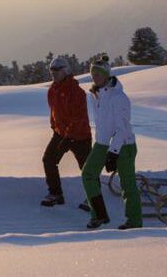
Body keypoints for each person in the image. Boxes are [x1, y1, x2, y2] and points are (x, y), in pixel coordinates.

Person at [81, 55, 141, 230]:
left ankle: (134, 222)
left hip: (124, 145)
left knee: (127, 184)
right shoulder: (96, 95)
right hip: (102, 144)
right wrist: (103, 146)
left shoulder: (119, 97)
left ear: (107, 75)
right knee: (88, 174)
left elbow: (122, 129)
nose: (95, 78)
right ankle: (99, 215)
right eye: (93, 74)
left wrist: (114, 153)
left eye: (98, 74)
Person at [40, 56, 92, 211]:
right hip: (61, 134)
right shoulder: (52, 90)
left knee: (88, 168)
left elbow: (78, 117)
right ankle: (56, 194)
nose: (53, 74)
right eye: (51, 71)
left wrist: (68, 136)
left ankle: (93, 198)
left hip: (80, 135)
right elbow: (54, 111)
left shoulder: (77, 92)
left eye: (57, 70)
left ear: (66, 71)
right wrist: (55, 128)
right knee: (49, 160)